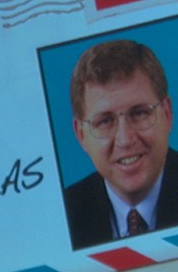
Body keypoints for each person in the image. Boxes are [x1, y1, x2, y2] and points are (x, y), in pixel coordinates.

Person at [65, 39, 178, 250]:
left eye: (140, 113)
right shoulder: (64, 214)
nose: (125, 140)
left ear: (167, 114)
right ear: (81, 135)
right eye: (105, 121)